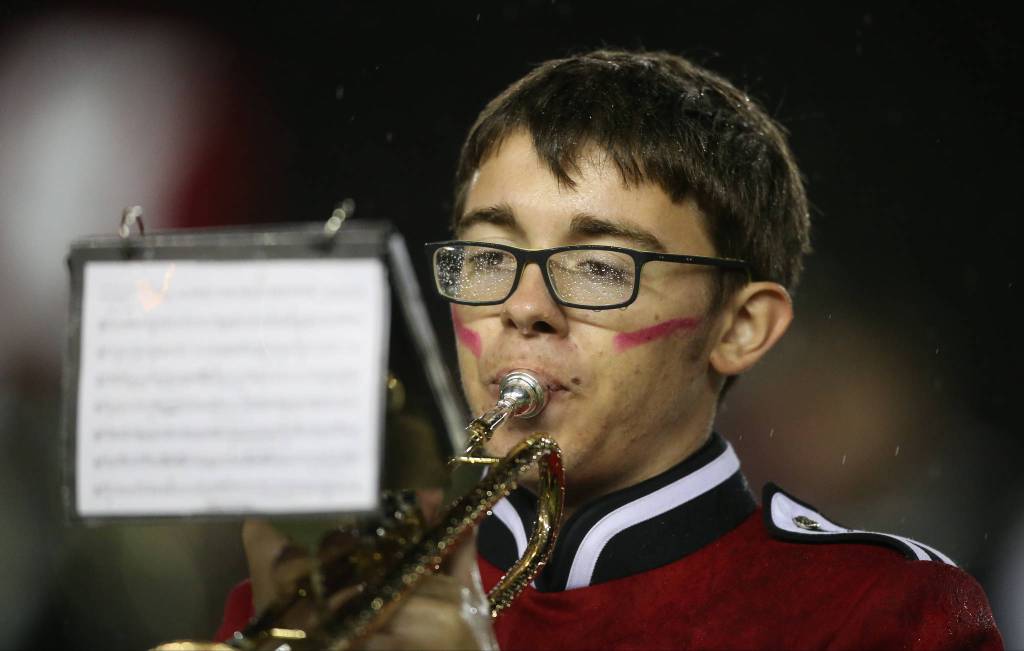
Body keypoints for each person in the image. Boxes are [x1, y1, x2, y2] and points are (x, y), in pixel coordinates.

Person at [217, 49, 1004, 650]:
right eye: (490, 256)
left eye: (598, 266)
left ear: (741, 328)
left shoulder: (883, 612)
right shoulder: (318, 593)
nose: (524, 309)